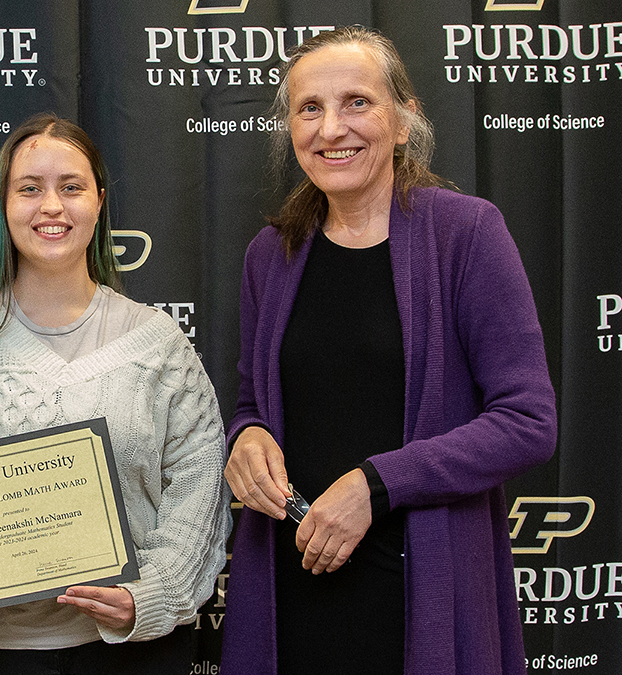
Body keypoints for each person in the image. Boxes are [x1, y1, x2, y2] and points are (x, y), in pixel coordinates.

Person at [220, 26, 556, 675]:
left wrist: (376, 484)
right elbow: (251, 404)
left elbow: (528, 424)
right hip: (294, 596)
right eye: (309, 108)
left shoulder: (466, 233)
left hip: (419, 600)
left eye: (357, 103)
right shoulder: (272, 254)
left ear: (404, 121)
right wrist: (247, 437)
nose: (330, 128)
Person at [0, 113, 230, 674]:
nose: (51, 206)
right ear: (4, 207)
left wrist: (151, 595)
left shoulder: (157, 343)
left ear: (99, 200)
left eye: (71, 187)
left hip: (128, 652)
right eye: (30, 189)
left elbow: (198, 484)